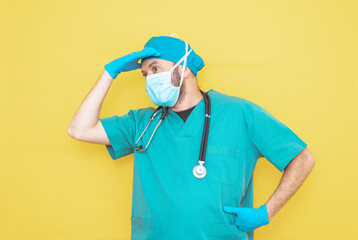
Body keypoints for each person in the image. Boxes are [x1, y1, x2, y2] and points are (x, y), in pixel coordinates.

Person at [67, 35, 316, 240]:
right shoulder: (142, 122)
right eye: (145, 75)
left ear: (183, 69)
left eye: (156, 69)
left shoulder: (240, 113)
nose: (150, 79)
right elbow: (79, 129)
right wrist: (110, 73)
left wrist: (266, 213)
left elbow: (302, 158)